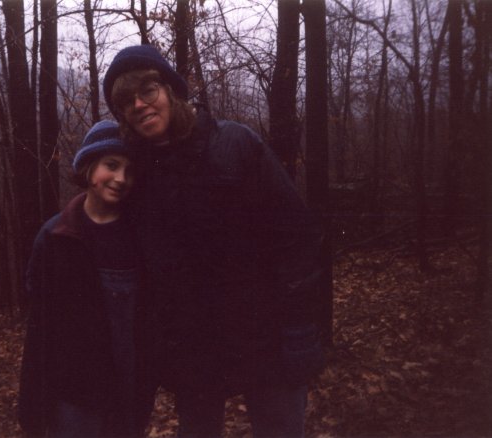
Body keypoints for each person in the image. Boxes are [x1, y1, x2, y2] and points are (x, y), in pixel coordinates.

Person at [103, 44, 325, 438]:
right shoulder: (138, 176)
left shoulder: (234, 145)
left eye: (147, 91)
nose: (138, 104)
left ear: (171, 91)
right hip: (194, 352)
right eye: (126, 101)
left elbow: (297, 240)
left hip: (266, 338)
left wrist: (300, 334)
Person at [17, 120, 153, 437]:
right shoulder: (55, 236)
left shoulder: (140, 236)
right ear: (89, 168)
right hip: (73, 396)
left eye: (130, 171)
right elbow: (41, 327)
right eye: (111, 165)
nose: (121, 178)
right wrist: (35, 402)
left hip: (127, 390)